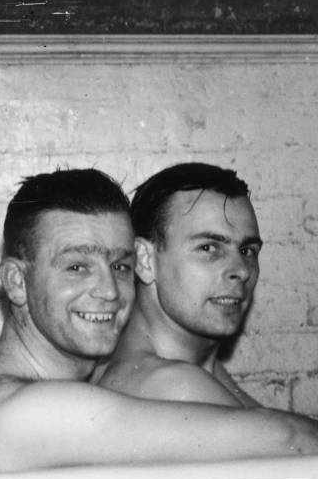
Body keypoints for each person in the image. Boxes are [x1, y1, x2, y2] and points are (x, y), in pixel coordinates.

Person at [0, 168, 318, 475]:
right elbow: (283, 439)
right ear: (16, 281)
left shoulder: (13, 389)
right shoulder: (25, 410)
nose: (109, 291)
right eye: (77, 267)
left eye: (121, 266)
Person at [92, 162, 263, 407]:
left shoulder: (200, 366)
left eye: (247, 250)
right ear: (145, 260)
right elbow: (294, 440)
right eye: (208, 248)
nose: (241, 270)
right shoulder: (170, 383)